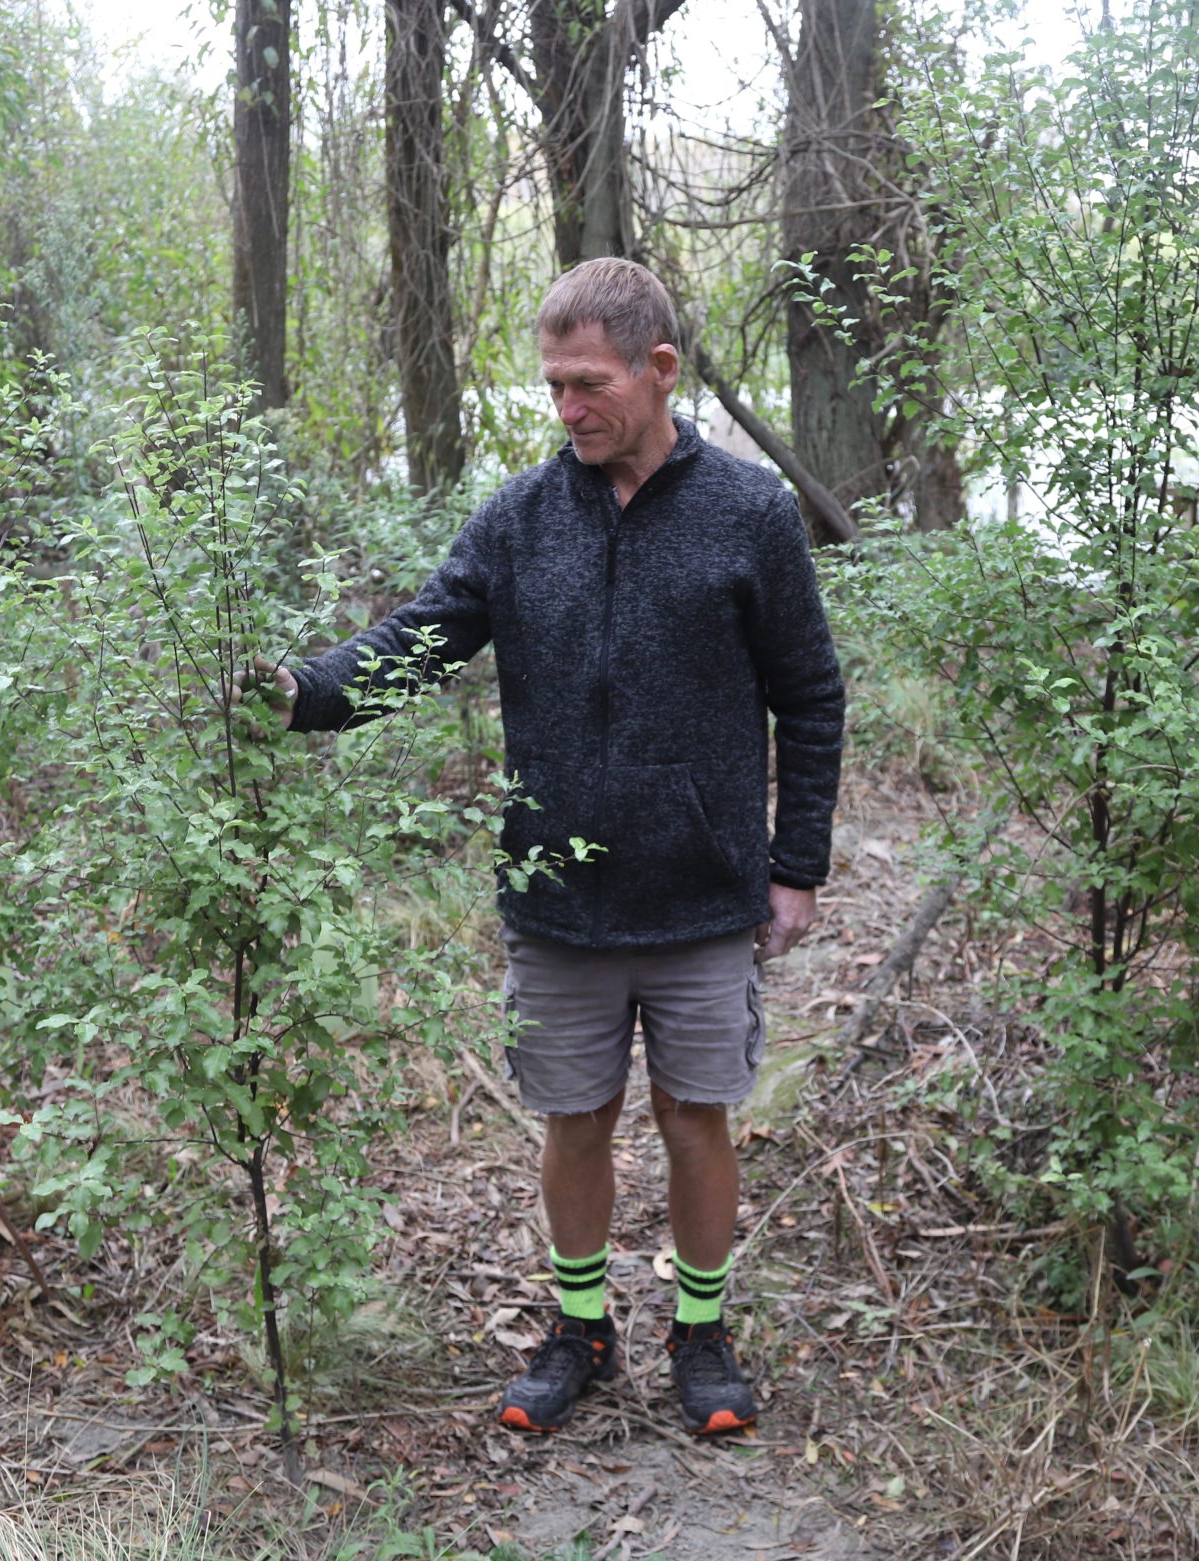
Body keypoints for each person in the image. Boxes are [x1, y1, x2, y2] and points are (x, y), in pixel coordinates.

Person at [249, 258, 845, 1436]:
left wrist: (796, 865)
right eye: (554, 387)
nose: (567, 409)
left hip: (702, 894)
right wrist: (301, 695)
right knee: (574, 1117)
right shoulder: (522, 520)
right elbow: (422, 639)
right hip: (558, 896)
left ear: (657, 371)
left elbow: (811, 697)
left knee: (694, 1116)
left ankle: (701, 1332)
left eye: (587, 385)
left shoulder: (750, 515)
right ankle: (579, 1328)